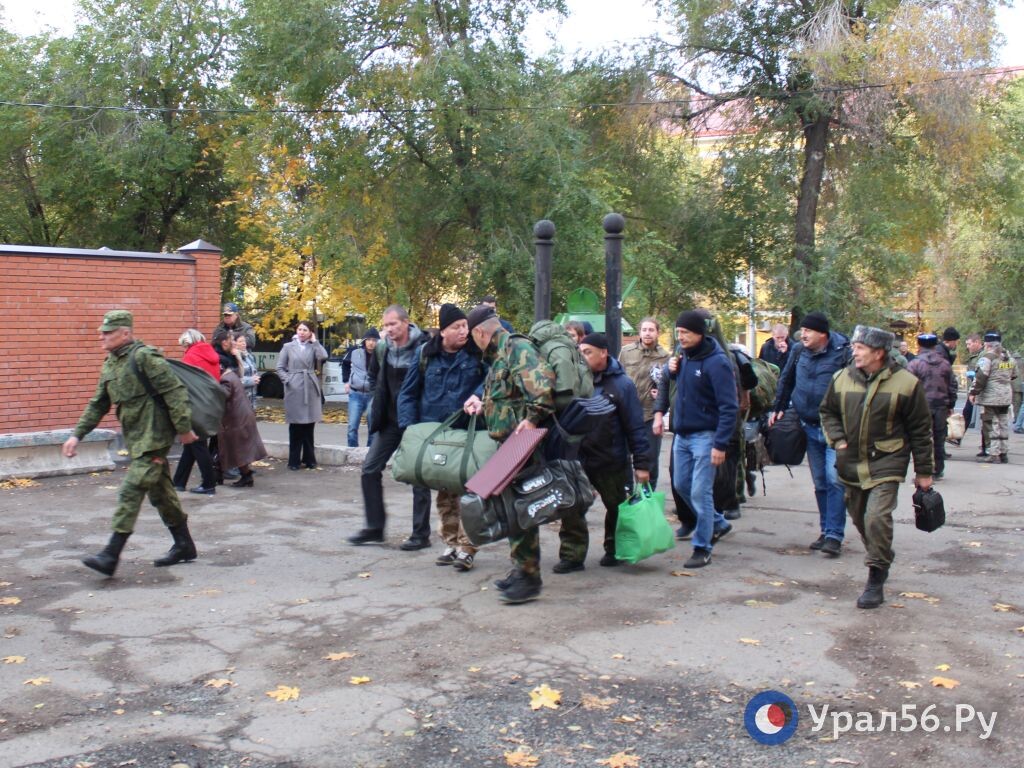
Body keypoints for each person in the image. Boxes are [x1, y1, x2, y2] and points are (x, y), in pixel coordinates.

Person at [62, 310, 199, 576]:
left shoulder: (145, 357)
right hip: (137, 438)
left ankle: (110, 554)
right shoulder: (110, 364)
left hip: (155, 436)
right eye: (101, 331)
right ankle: (184, 545)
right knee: (161, 494)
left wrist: (183, 429)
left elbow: (175, 392)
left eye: (107, 332)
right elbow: (98, 404)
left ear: (125, 333)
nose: (101, 336)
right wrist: (76, 435)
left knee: (131, 490)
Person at [819, 325, 934, 609]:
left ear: (879, 353)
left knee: (876, 519)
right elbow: (828, 412)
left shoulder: (907, 383)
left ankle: (875, 577)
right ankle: (880, 554)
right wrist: (838, 439)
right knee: (861, 521)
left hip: (887, 461)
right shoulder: (841, 378)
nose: (854, 352)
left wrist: (924, 472)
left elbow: (920, 429)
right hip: (850, 464)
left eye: (860, 348)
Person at [463, 304, 556, 604]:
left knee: (521, 509)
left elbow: (542, 387)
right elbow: (508, 395)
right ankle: (521, 569)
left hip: (523, 444)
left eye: (471, 335)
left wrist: (531, 419)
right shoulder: (500, 354)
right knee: (513, 507)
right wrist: (484, 405)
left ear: (479, 332)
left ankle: (529, 576)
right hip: (510, 444)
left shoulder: (516, 347)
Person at [397, 304, 486, 571]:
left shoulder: (477, 353)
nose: (463, 331)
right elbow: (408, 392)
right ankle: (450, 543)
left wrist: (479, 395)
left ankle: (468, 547)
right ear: (443, 331)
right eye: (457, 327)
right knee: (445, 490)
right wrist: (409, 429)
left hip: (469, 430)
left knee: (471, 491)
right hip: (434, 430)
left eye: (465, 326)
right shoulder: (426, 353)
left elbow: (495, 376)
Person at [556, 332, 650, 572]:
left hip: (611, 457)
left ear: (603, 353)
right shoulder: (574, 380)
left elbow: (635, 426)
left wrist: (641, 464)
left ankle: (614, 549)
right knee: (572, 506)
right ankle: (572, 555)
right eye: (580, 352)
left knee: (617, 506)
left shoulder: (622, 385)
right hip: (577, 458)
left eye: (587, 352)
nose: (582, 357)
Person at [654, 310, 738, 569]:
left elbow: (729, 407)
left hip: (706, 436)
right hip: (682, 434)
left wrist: (720, 443)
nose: (681, 338)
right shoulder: (681, 357)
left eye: (686, 333)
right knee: (681, 485)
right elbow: (667, 384)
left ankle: (702, 547)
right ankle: (718, 522)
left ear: (700, 334)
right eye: (678, 333)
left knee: (701, 492)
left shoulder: (717, 363)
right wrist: (661, 408)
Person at [348, 306, 432, 549]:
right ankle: (375, 528)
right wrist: (377, 401)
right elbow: (374, 377)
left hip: (416, 421)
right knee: (369, 469)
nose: (389, 329)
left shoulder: (423, 347)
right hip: (390, 421)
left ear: (406, 322)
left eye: (393, 324)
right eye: (386, 325)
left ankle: (420, 534)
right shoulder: (383, 348)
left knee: (418, 476)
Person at [769, 311, 851, 557]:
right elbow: (787, 379)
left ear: (823, 334)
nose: (802, 335)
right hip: (808, 424)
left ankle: (835, 535)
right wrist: (779, 407)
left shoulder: (843, 352)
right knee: (820, 483)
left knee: (834, 479)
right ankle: (826, 530)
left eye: (808, 331)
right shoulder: (798, 351)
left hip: (835, 429)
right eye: (802, 331)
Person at [619, 317, 671, 489]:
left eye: (651, 330)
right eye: (644, 330)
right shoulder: (627, 352)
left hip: (650, 414)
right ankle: (627, 492)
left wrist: (662, 393)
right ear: (639, 332)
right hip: (627, 413)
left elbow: (669, 385)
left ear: (657, 333)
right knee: (623, 458)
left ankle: (647, 495)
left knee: (650, 459)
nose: (647, 333)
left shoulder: (665, 357)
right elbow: (617, 377)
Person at [172, 329, 220, 495]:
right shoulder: (211, 354)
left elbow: (183, 383)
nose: (184, 348)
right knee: (191, 444)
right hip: (209, 404)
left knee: (198, 445)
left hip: (195, 405)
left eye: (184, 345)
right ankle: (178, 482)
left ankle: (208, 483)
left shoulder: (191, 356)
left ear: (189, 342)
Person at [277, 320, 328, 470]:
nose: (301, 332)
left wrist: (315, 342)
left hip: (310, 386)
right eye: (299, 329)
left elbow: (323, 356)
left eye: (305, 330)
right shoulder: (288, 347)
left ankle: (309, 459)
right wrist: (288, 380)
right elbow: (280, 367)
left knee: (309, 425)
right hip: (294, 387)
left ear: (310, 332)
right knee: (296, 426)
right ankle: (293, 461)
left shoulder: (313, 346)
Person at [907, 333, 957, 479]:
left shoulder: (914, 364)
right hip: (941, 405)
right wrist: (951, 404)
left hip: (921, 406)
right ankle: (938, 469)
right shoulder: (944, 364)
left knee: (923, 438)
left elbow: (908, 387)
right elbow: (952, 385)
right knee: (939, 437)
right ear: (935, 346)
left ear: (919, 345)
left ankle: (925, 471)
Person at [217, 363, 268, 487]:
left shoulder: (225, 380)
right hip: (241, 417)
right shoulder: (232, 376)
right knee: (239, 449)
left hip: (237, 419)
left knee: (238, 449)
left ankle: (245, 476)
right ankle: (245, 475)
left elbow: (222, 396)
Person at [970, 330, 1017, 464]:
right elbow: (1014, 375)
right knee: (1003, 423)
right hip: (1006, 395)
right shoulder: (1009, 358)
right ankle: (1004, 452)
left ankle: (993, 453)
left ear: (987, 344)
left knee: (991, 424)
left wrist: (973, 393)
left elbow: (980, 377)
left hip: (991, 396)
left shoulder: (987, 358)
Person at [341, 328, 379, 448]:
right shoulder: (355, 352)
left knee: (373, 427)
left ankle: (369, 453)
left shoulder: (382, 354)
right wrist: (346, 381)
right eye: (369, 340)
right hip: (355, 393)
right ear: (364, 341)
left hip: (372, 395)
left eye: (374, 340)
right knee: (352, 426)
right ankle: (352, 451)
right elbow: (345, 364)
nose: (371, 343)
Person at [960, 333, 984, 451]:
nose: (968, 347)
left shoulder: (983, 355)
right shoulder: (975, 356)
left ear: (977, 342)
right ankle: (958, 437)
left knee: (985, 418)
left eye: (969, 344)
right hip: (974, 391)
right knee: (967, 413)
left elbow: (982, 374)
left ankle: (986, 445)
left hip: (980, 391)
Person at [232, 332, 261, 409]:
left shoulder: (249, 356)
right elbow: (234, 380)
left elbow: (254, 372)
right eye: (240, 341)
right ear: (234, 343)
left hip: (251, 397)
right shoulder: (233, 358)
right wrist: (251, 380)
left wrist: (256, 378)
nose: (243, 343)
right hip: (240, 400)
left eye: (244, 341)